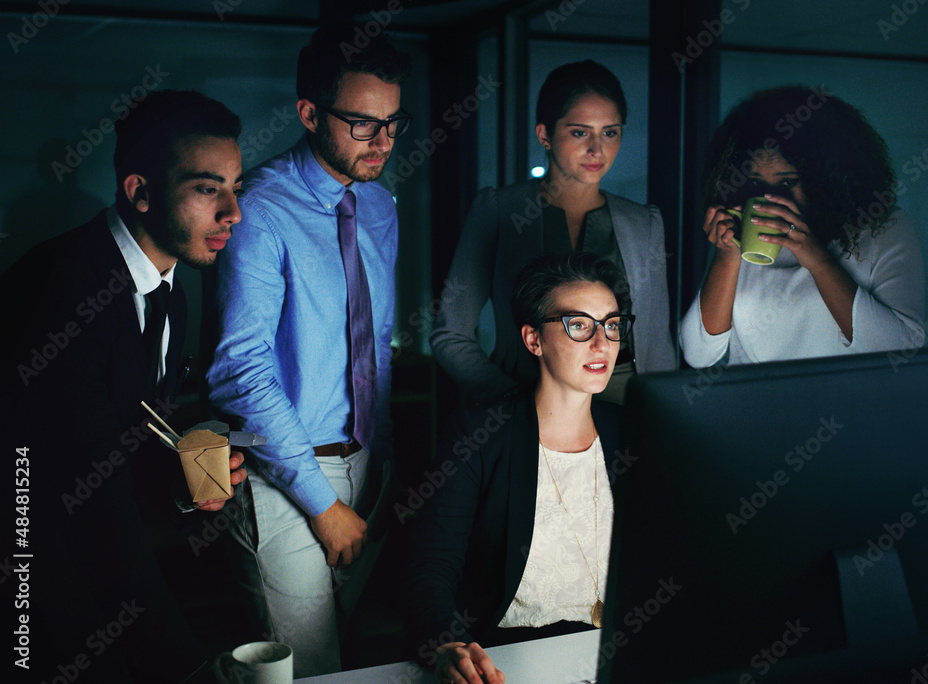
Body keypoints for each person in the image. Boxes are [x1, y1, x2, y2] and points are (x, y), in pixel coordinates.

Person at [0, 89, 247, 683]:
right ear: (139, 192)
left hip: (96, 576)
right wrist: (187, 662)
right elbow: (79, 495)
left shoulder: (171, 292)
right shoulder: (60, 292)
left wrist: (188, 484)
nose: (234, 213)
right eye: (208, 189)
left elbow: (122, 437)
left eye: (236, 187)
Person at [206, 23, 410, 677]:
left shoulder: (379, 206)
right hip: (290, 474)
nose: (382, 142)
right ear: (310, 114)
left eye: (393, 123)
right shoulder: (259, 210)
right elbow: (241, 370)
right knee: (308, 668)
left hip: (369, 464)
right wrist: (322, 506)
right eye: (362, 124)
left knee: (353, 651)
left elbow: (373, 342)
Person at [405, 252, 630, 684]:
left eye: (612, 324)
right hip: (513, 662)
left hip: (614, 656)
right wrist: (447, 644)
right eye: (579, 325)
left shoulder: (634, 434)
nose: (603, 343)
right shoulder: (480, 436)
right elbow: (432, 569)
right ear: (533, 340)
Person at [431, 60, 675, 406]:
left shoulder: (643, 223)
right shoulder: (500, 210)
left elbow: (657, 345)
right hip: (522, 397)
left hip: (623, 404)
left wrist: (662, 420)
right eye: (579, 132)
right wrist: (506, 400)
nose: (597, 149)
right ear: (544, 135)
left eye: (610, 132)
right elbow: (450, 333)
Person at [679, 85, 925, 367]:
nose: (770, 199)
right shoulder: (742, 230)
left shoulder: (887, 228)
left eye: (787, 183)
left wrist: (817, 260)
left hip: (851, 405)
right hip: (755, 406)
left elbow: (900, 349)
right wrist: (727, 256)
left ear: (827, 180)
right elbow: (699, 355)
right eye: (756, 183)